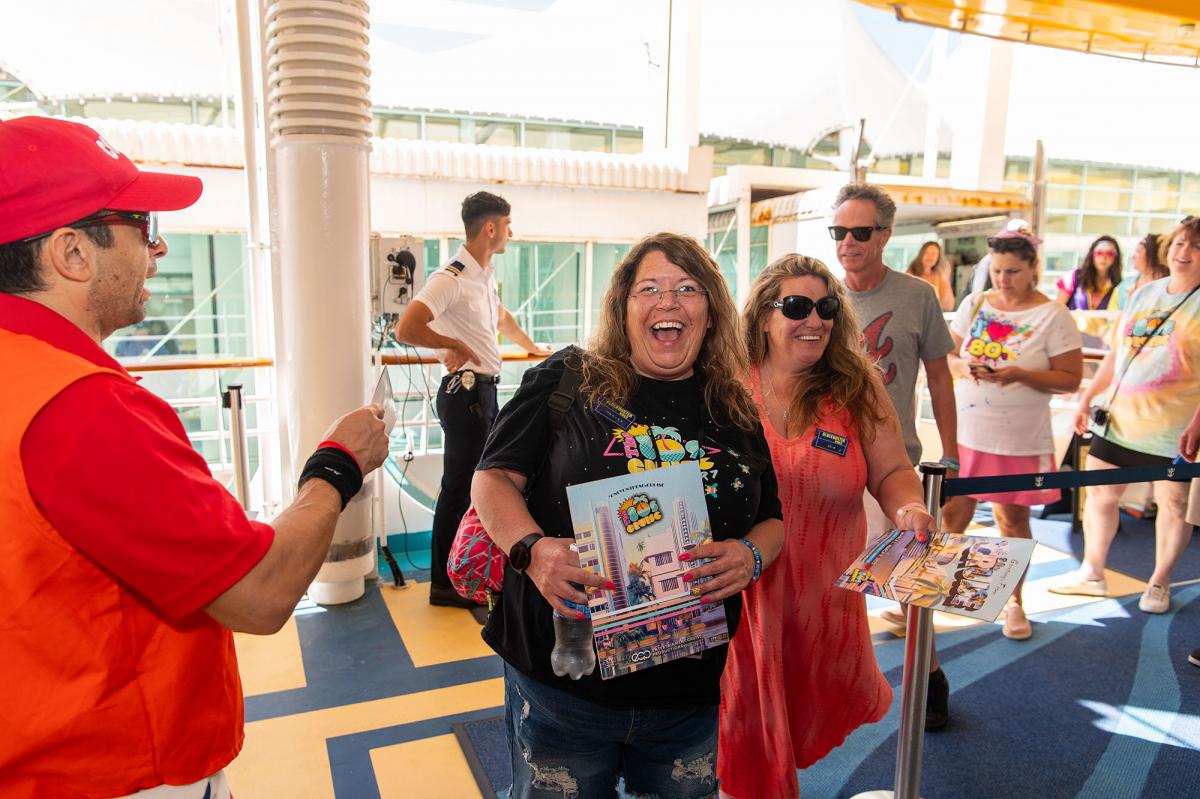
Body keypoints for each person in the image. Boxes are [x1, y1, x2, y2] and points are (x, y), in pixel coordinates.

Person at [0, 117, 389, 798]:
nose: (158, 247)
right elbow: (261, 594)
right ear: (72, 252)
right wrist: (337, 465)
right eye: (140, 224)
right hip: (116, 770)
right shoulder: (82, 408)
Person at [471, 232, 785, 799]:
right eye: (650, 289)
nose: (668, 301)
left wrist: (751, 556)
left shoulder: (733, 408)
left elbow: (772, 518)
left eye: (687, 288)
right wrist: (532, 551)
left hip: (687, 691)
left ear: (710, 312)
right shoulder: (569, 379)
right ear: (623, 308)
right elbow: (492, 480)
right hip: (564, 684)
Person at [718, 254, 936, 799]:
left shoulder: (856, 388)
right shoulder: (723, 387)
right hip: (741, 599)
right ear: (763, 317)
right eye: (796, 306)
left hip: (823, 605)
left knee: (799, 719)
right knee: (739, 733)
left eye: (827, 307)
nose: (814, 320)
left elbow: (892, 471)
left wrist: (909, 508)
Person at [832, 183, 959, 728]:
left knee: (911, 582)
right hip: (828, 466)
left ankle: (929, 676)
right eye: (839, 232)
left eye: (860, 232)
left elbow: (940, 377)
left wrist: (951, 452)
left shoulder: (917, 296)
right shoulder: (820, 298)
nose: (848, 242)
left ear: (884, 235)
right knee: (827, 585)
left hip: (894, 467)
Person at [393, 191, 552, 610]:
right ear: (491, 228)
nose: (511, 233)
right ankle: (445, 584)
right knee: (461, 488)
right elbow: (406, 328)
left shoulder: (482, 275)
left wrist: (532, 348)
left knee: (476, 485)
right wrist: (452, 344)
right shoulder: (453, 276)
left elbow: (502, 319)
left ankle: (465, 576)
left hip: (482, 391)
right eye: (508, 225)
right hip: (465, 393)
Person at [1051, 216, 1200, 614]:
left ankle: (1159, 581)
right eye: (1179, 243)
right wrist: (1087, 398)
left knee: (1172, 504)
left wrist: (1198, 424)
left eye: (1196, 246)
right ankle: (1092, 571)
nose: (1184, 252)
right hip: (1118, 420)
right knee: (1100, 493)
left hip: (1174, 428)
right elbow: (1118, 353)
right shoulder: (1145, 293)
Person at [941, 229, 1083, 640]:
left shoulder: (1053, 315)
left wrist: (1020, 374)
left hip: (1017, 438)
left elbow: (1070, 378)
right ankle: (932, 595)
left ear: (1033, 268)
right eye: (997, 271)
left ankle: (1015, 602)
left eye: (1013, 271)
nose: (1003, 280)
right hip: (967, 431)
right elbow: (947, 356)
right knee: (952, 516)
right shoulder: (976, 303)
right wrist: (964, 367)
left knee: (1012, 521)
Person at [1055, 235, 1122, 310]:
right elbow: (1057, 309)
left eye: (1109, 254)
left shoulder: (1119, 286)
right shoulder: (1073, 277)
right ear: (1092, 254)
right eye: (1099, 253)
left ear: (1116, 257)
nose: (1103, 258)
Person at [1115, 233, 1169, 308]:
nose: (1133, 256)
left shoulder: (1169, 287)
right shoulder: (1124, 286)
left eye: (1138, 251)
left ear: (1154, 256)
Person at [907, 240, 955, 311]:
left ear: (938, 257)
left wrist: (946, 279)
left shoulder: (939, 276)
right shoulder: (909, 275)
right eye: (926, 253)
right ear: (921, 254)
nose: (930, 256)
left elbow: (949, 307)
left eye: (934, 253)